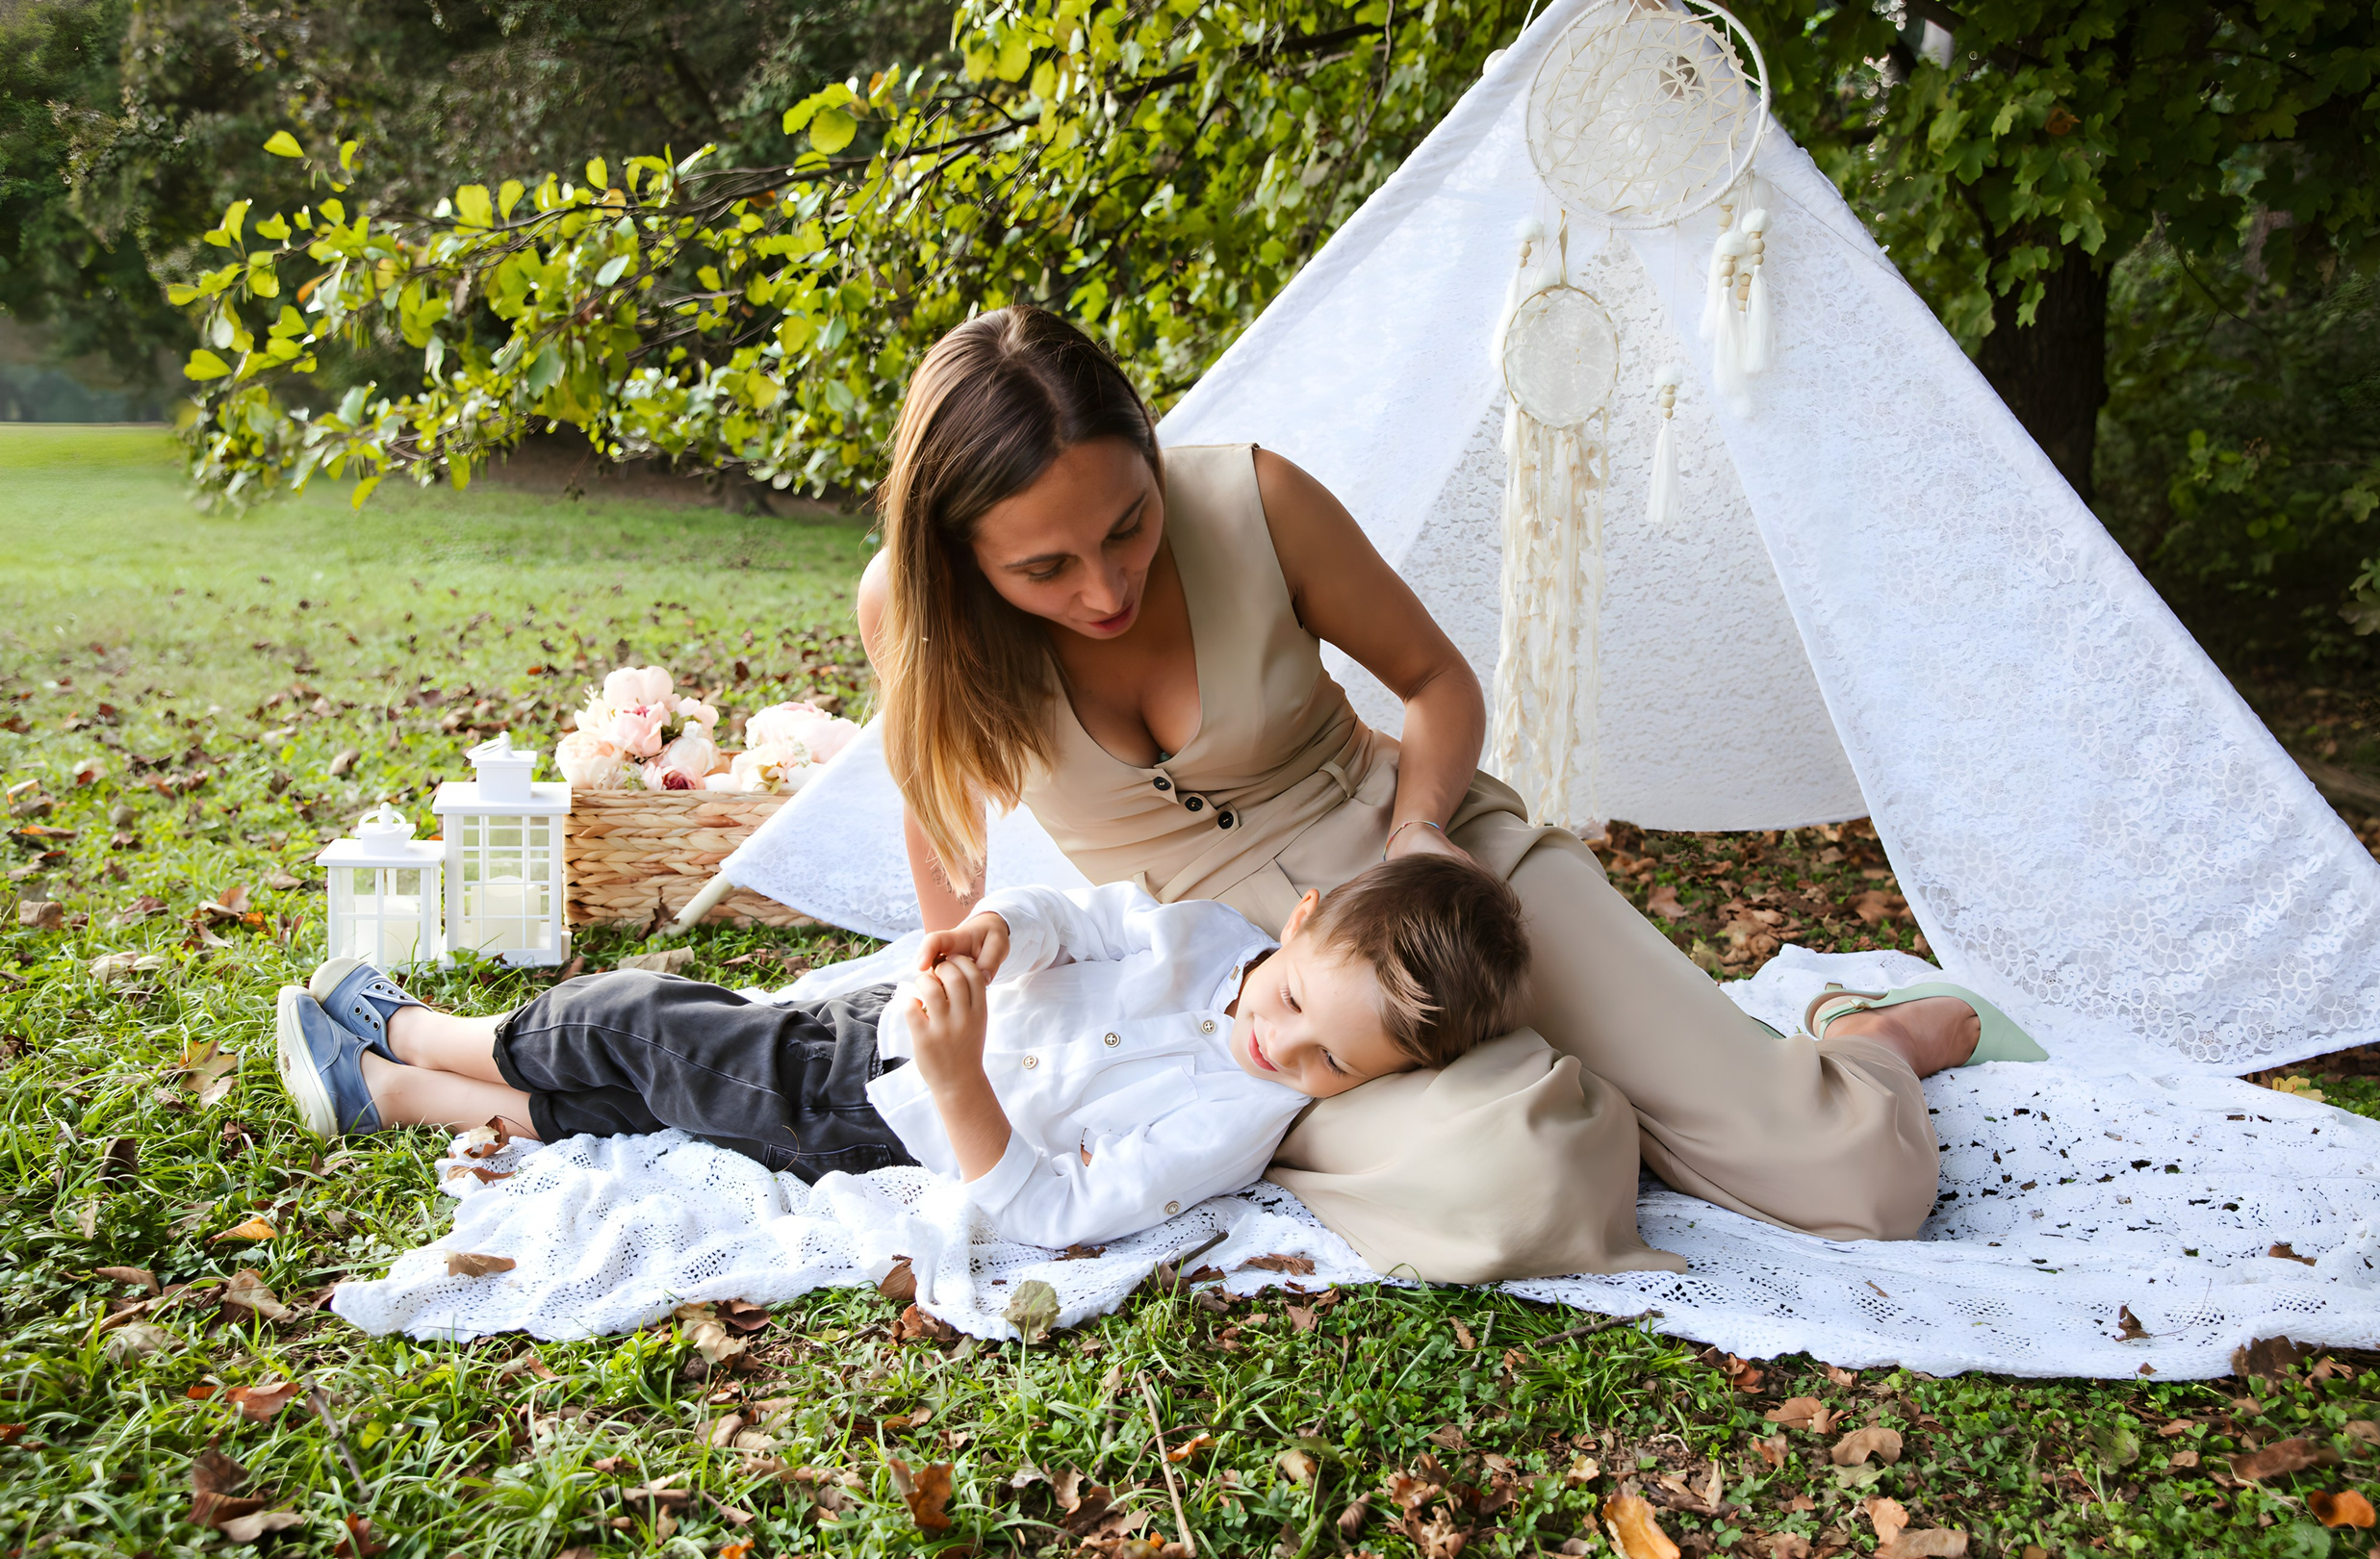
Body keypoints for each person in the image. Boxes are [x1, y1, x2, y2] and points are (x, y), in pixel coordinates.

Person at [854, 304, 2046, 1272]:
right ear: (957, 556)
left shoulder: (1255, 500)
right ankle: (1590, 1091)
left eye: (1129, 525)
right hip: (1251, 987)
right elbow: (939, 811)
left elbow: (1434, 681)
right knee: (1528, 1175)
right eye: (1045, 568)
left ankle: (1860, 1039)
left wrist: (1420, 827)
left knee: (1856, 1182)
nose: (1107, 586)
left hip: (1431, 860)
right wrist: (954, 968)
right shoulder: (909, 615)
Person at [271, 855, 1533, 1250]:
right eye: (1299, 999)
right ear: (1299, 921)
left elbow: (1059, 1210)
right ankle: (384, 1092)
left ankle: (413, 1027)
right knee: (654, 1081)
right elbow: (1080, 916)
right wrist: (999, 930)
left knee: (636, 1018)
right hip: (878, 1021)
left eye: (1326, 1066)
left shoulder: (1229, 1122)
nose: (1279, 1045)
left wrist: (958, 1083)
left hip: (872, 1107)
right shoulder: (1209, 935)